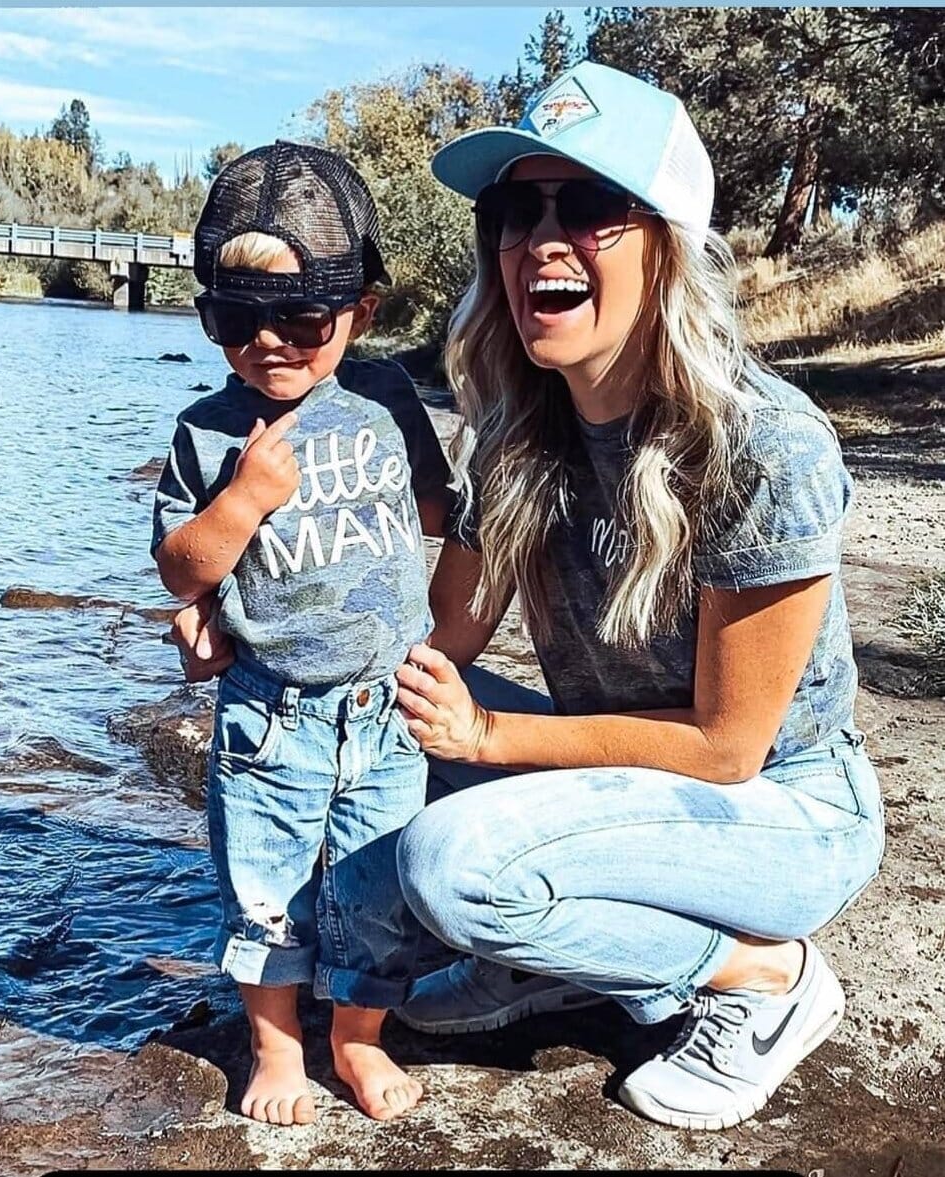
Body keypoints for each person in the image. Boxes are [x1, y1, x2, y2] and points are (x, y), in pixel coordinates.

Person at [387, 61, 885, 1131]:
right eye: (517, 208)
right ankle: (545, 956)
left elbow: (725, 749)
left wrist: (487, 741)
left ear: (667, 243)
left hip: (782, 812)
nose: (539, 240)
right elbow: (447, 640)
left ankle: (760, 977)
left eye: (590, 207)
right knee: (374, 739)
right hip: (628, 774)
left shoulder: (763, 443)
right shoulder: (518, 428)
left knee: (451, 867)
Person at [151, 141, 451, 1125]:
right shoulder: (206, 431)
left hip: (385, 712)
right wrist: (242, 504)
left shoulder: (389, 403)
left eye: (301, 317)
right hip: (268, 718)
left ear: (359, 314)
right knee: (267, 887)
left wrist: (438, 637)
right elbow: (181, 565)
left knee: (375, 888)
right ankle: (278, 1048)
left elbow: (438, 520)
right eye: (236, 319)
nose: (268, 341)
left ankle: (355, 1042)